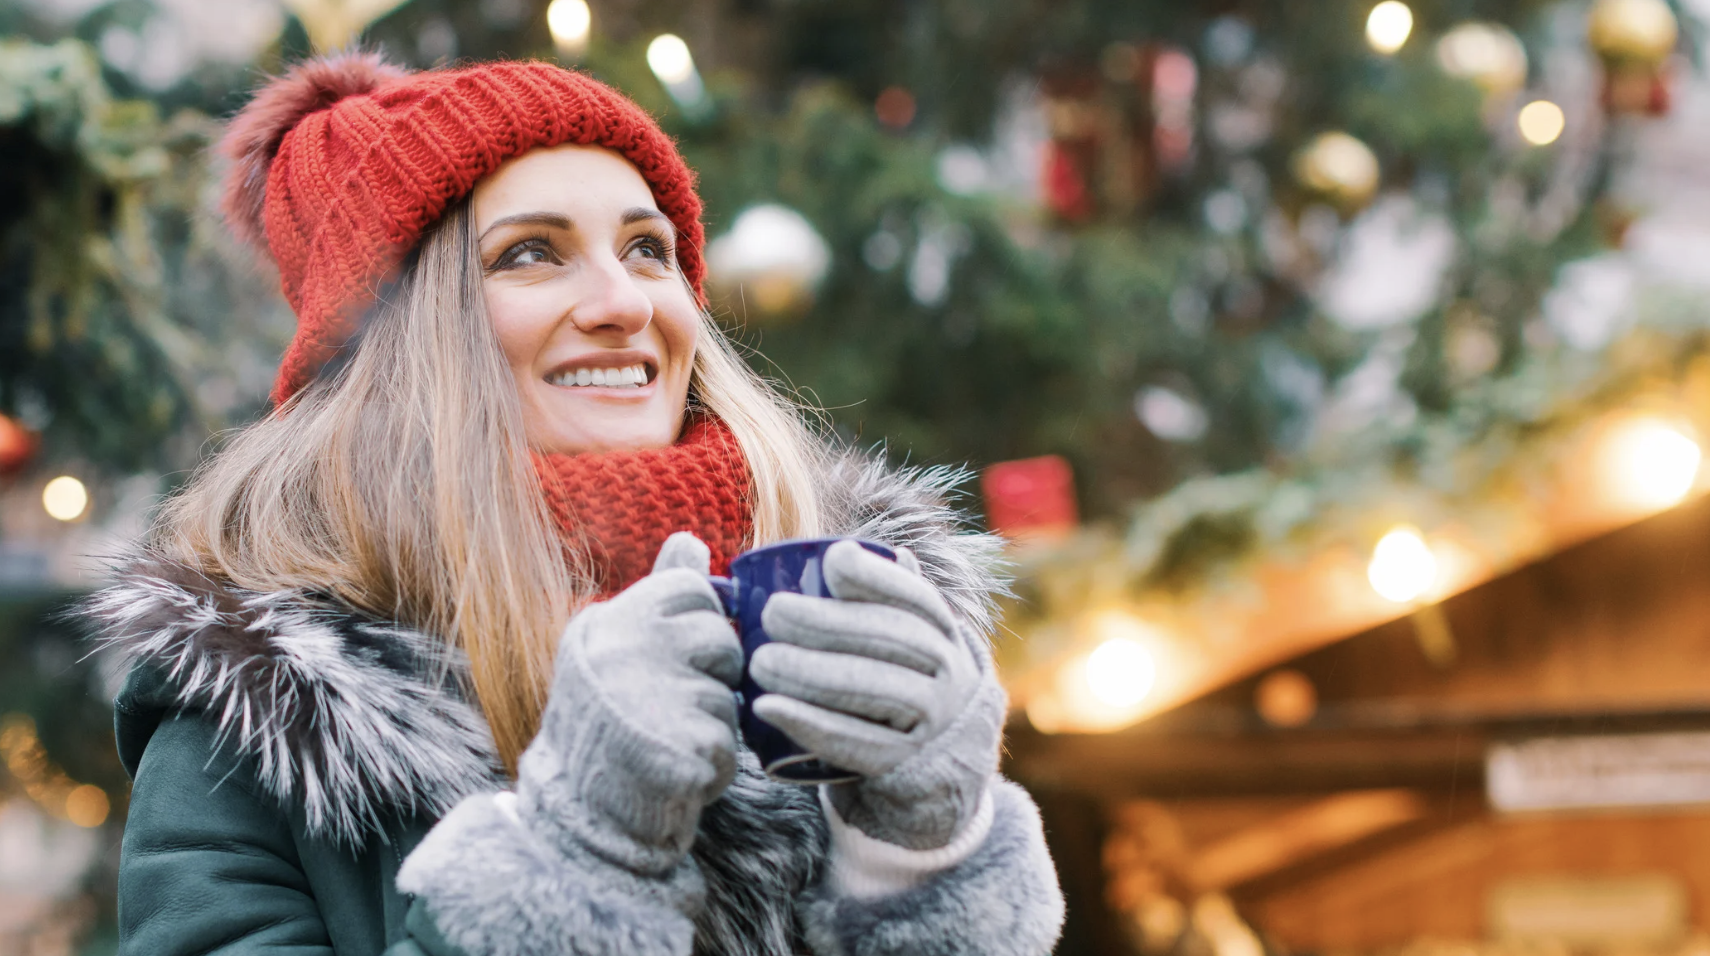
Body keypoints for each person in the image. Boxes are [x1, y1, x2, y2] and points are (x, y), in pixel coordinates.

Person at [79, 52, 1065, 956]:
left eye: (648, 248)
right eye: (530, 253)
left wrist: (926, 856)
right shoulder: (257, 726)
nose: (626, 301)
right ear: (402, 342)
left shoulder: (832, 608)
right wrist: (574, 852)